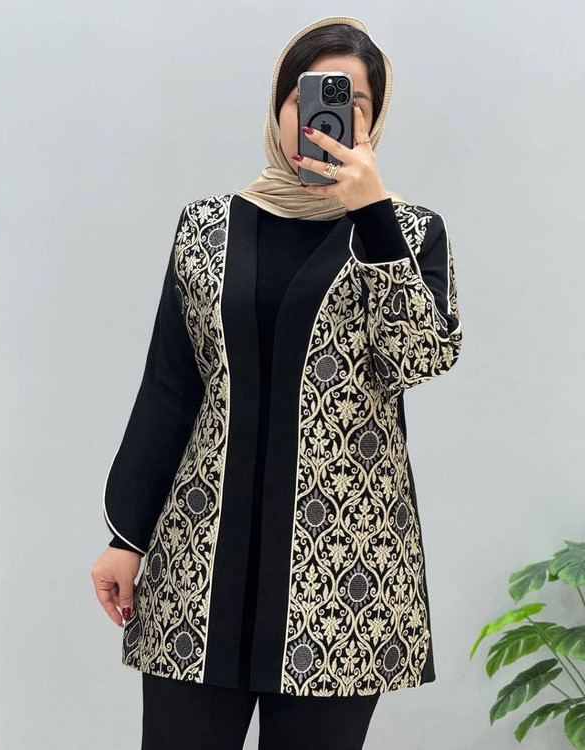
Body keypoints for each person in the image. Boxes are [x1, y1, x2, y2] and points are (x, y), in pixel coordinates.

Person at [91, 14, 462, 750]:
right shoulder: (206, 229)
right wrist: (126, 536)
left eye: (352, 102)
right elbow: (170, 387)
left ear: (374, 119)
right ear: (280, 106)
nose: (324, 116)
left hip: (343, 579)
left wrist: (372, 216)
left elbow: (419, 358)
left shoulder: (409, 234)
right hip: (200, 567)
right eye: (308, 96)